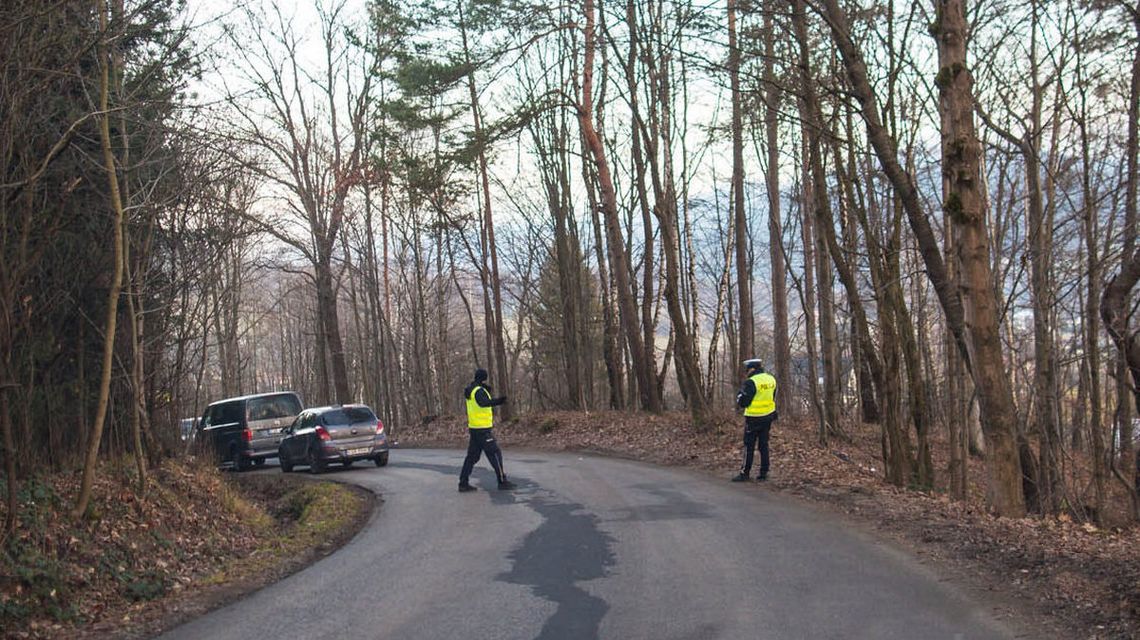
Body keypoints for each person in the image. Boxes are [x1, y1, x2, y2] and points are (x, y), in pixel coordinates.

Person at [458, 368, 516, 492]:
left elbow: (480, 400)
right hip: (482, 429)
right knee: (495, 453)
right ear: (484, 377)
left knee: (472, 457)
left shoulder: (472, 389)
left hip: (475, 428)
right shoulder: (478, 391)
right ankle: (502, 481)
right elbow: (484, 403)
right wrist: (499, 401)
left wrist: (486, 390)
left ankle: (463, 483)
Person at [732, 358, 777, 482]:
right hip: (768, 416)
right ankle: (764, 472)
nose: (746, 372)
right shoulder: (771, 378)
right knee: (764, 444)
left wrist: (739, 397)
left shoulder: (751, 382)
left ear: (752, 369)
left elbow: (744, 402)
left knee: (749, 445)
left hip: (753, 418)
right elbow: (772, 396)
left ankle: (745, 473)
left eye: (747, 370)